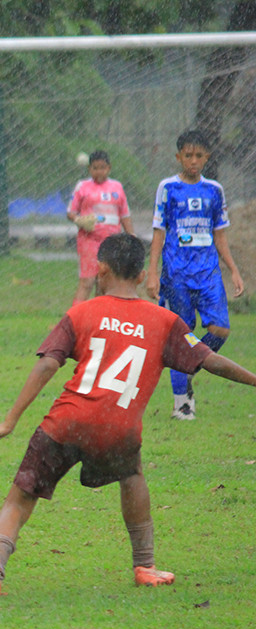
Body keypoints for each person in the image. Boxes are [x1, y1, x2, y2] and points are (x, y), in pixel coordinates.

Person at [0, 233, 256, 597]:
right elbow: (210, 361)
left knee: (20, 498)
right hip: (118, 428)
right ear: (141, 275)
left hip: (66, 421)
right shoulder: (164, 321)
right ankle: (145, 567)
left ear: (100, 270)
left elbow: (47, 365)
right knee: (132, 477)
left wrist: (10, 420)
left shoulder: (81, 312)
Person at [146, 129, 245, 420]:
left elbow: (220, 235)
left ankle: (190, 364)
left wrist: (233, 270)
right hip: (176, 273)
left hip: (208, 272)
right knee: (181, 334)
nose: (193, 160)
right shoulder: (168, 188)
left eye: (199, 155)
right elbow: (158, 232)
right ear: (178, 157)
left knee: (220, 329)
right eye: (188, 155)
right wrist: (152, 272)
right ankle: (182, 405)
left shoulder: (214, 190)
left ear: (207, 158)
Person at [66, 150, 134, 306]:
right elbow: (71, 212)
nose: (99, 171)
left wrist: (131, 235)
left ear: (109, 168)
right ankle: (73, 318)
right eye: (95, 168)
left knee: (104, 283)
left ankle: (99, 317)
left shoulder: (116, 187)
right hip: (90, 240)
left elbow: (124, 214)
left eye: (102, 168)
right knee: (87, 282)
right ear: (89, 169)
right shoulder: (83, 187)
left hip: (112, 243)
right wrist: (79, 220)